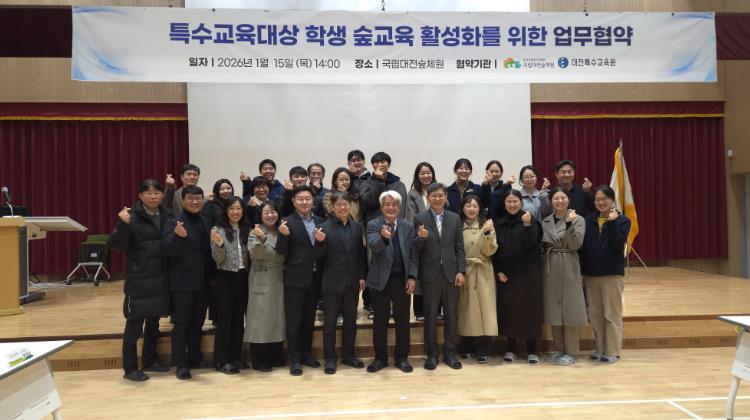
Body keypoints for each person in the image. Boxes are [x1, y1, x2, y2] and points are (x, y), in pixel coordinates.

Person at [108, 179, 172, 382]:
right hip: (139, 279)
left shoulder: (168, 215)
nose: (153, 196)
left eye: (157, 193)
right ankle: (130, 368)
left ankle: (150, 361)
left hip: (160, 278)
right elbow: (115, 246)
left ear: (162, 194)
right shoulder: (131, 217)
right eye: (148, 193)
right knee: (134, 326)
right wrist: (122, 224)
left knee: (154, 324)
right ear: (140, 195)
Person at [162, 185, 215, 379]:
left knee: (197, 324)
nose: (195, 201)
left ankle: (195, 358)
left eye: (198, 198)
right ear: (183, 200)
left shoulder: (207, 221)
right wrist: (178, 238)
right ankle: (181, 364)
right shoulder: (173, 221)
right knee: (182, 325)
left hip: (203, 283)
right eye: (191, 198)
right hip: (181, 283)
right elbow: (167, 250)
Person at [414, 183, 466, 370]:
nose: (437, 199)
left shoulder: (454, 218)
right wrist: (421, 238)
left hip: (451, 274)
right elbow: (415, 248)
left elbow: (459, 247)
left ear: (446, 197)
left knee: (451, 316)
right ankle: (431, 355)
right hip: (430, 274)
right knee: (430, 317)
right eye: (433, 196)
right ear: (428, 198)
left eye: (440, 195)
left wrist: (461, 270)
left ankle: (450, 354)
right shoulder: (419, 218)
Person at [366, 191, 418, 373]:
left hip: (401, 280)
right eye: (387, 204)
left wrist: (412, 276)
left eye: (394, 204)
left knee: (403, 321)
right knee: (380, 321)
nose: (391, 207)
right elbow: (374, 246)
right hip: (380, 280)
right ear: (381, 207)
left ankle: (401, 358)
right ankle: (380, 358)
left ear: (399, 207)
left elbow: (413, 254)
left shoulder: (407, 226)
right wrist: (383, 238)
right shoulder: (373, 224)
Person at [275, 185, 325, 376]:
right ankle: (295, 360)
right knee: (294, 321)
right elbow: (280, 250)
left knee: (309, 320)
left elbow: (322, 251)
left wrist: (320, 241)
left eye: (308, 198)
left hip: (315, 278)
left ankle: (306, 355)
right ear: (293, 202)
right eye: (300, 199)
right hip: (295, 279)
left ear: (313, 201)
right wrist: (283, 236)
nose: (304, 202)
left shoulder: (320, 221)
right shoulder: (287, 222)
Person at [580, 185, 631, 364]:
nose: (601, 202)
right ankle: (600, 349)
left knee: (611, 315)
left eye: (604, 199)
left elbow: (617, 243)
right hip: (591, 275)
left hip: (611, 275)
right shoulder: (589, 220)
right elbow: (584, 247)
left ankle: (613, 351)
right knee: (595, 315)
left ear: (612, 200)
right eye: (597, 199)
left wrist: (611, 222)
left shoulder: (623, 220)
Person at [492, 190, 544, 365]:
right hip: (507, 275)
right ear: (504, 204)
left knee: (530, 311)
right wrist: (498, 270)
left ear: (521, 202)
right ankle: (511, 349)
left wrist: (527, 225)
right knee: (509, 312)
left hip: (529, 273)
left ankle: (532, 350)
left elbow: (531, 246)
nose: (512, 204)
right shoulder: (499, 224)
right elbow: (495, 251)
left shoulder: (531, 220)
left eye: (515, 201)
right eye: (509, 201)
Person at [318, 192, 367, 374]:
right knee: (329, 324)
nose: (342, 207)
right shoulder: (323, 227)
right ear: (332, 207)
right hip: (331, 282)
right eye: (338, 204)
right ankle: (330, 359)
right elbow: (318, 256)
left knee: (350, 323)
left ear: (350, 206)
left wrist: (362, 276)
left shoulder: (357, 227)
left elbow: (360, 254)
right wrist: (319, 243)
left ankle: (349, 355)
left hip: (352, 282)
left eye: (345, 203)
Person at [542, 187, 587, 366]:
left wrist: (569, 225)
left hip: (569, 263)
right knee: (554, 308)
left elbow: (576, 244)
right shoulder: (546, 220)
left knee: (570, 308)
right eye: (556, 198)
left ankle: (572, 351)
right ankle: (559, 349)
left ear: (568, 199)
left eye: (563, 198)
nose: (559, 201)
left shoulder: (578, 219)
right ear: (551, 201)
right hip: (550, 265)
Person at [210, 196, 250, 374]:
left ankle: (236, 358)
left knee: (238, 320)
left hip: (243, 277)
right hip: (225, 278)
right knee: (225, 321)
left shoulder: (247, 228)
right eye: (232, 208)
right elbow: (217, 259)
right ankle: (222, 360)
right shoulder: (217, 230)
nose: (235, 212)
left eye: (238, 208)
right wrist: (218, 244)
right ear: (226, 211)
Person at [456, 195, 498, 364]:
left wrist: (487, 233)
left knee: (484, 310)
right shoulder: (457, 225)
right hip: (463, 271)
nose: (471, 209)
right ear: (462, 208)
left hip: (482, 272)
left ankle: (483, 349)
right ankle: (466, 346)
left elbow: (490, 251)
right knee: (465, 310)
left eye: (475, 206)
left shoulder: (486, 225)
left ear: (480, 208)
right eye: (468, 206)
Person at [245, 201, 287, 372]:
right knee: (260, 318)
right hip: (261, 275)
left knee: (277, 317)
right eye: (266, 212)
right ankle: (260, 359)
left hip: (279, 277)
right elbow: (255, 254)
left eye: (273, 212)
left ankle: (276, 355)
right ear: (261, 215)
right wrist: (262, 239)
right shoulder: (255, 231)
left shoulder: (282, 230)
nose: (270, 215)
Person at [405, 162, 436, 322]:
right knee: (420, 273)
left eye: (428, 172)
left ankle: (436, 309)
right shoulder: (412, 194)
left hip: (437, 240)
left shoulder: (438, 191)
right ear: (417, 176)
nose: (426, 176)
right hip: (419, 238)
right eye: (422, 173)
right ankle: (419, 310)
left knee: (436, 275)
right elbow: (411, 218)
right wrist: (420, 235)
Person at [357, 151, 408, 223]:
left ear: (389, 164)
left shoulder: (399, 184)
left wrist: (397, 225)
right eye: (376, 162)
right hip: (373, 225)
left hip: (395, 225)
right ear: (372, 165)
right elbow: (368, 203)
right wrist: (379, 181)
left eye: (383, 162)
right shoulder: (366, 183)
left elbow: (401, 208)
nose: (380, 165)